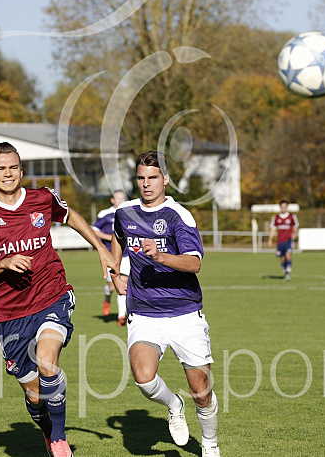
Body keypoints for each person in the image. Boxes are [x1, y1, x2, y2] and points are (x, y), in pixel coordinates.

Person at [0, 142, 117, 457]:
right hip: (9, 313)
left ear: (21, 169)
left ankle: (59, 440)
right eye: (0, 169)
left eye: (13, 167)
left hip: (51, 294)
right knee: (35, 396)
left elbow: (70, 215)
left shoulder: (42, 199)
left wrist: (100, 249)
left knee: (48, 361)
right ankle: (48, 428)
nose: (8, 173)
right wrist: (3, 264)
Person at [110, 151, 220, 457]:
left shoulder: (179, 216)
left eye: (153, 178)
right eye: (141, 178)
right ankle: (174, 405)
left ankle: (210, 444)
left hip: (184, 313)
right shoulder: (125, 212)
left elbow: (194, 263)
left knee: (202, 391)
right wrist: (114, 272)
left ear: (166, 180)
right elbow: (117, 239)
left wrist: (160, 256)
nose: (146, 184)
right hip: (144, 312)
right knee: (144, 378)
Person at [91, 190, 129, 324]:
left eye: (123, 198)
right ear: (113, 200)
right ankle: (107, 296)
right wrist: (112, 238)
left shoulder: (130, 213)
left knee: (123, 284)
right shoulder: (105, 214)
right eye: (118, 198)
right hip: (109, 255)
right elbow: (94, 231)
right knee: (112, 287)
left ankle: (121, 316)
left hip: (126, 255)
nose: (121, 201)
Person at [267, 200, 299, 281]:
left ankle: (288, 272)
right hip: (280, 241)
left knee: (288, 254)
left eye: (285, 206)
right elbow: (273, 229)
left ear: (287, 207)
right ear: (280, 207)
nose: (283, 208)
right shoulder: (276, 218)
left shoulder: (292, 217)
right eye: (282, 207)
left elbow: (296, 226)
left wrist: (294, 233)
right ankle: (285, 271)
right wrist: (270, 239)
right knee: (282, 258)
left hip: (288, 240)